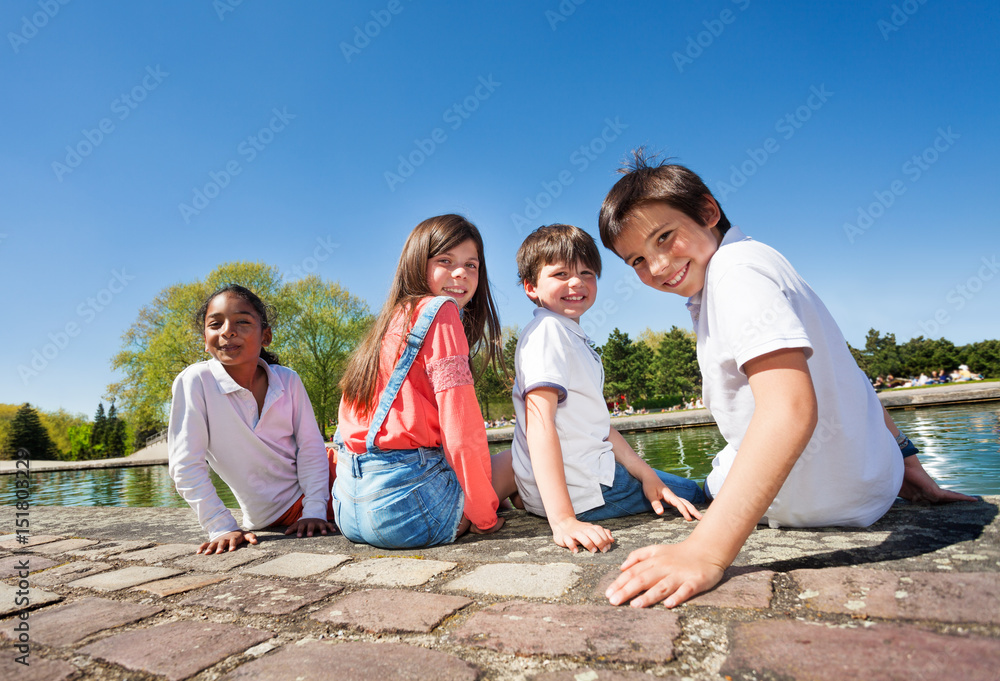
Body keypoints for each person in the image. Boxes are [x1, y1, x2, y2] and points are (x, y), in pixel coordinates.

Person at [596, 151, 976, 608]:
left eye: (664, 237)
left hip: (809, 504)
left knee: (646, 487)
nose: (656, 268)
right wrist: (908, 468)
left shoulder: (734, 273)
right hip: (871, 489)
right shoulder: (758, 263)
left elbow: (789, 410)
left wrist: (705, 551)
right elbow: (852, 379)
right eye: (637, 259)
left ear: (707, 212)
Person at [510, 224, 703, 555]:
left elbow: (600, 428)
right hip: (588, 491)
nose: (577, 283)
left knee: (659, 482)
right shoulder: (548, 333)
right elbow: (539, 426)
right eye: (560, 274)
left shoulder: (567, 335)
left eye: (587, 273)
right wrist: (563, 520)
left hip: (581, 483)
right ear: (531, 287)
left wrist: (646, 474)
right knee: (696, 492)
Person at [333, 214, 514, 549]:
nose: (460, 273)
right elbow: (462, 434)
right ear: (417, 263)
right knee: (523, 457)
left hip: (349, 510)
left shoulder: (389, 320)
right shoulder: (441, 312)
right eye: (445, 261)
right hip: (408, 515)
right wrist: (483, 515)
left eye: (471, 265)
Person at [168, 284, 337, 554]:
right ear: (205, 338)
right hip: (278, 512)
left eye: (242, 322)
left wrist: (314, 509)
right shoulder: (196, 382)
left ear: (266, 336)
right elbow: (185, 466)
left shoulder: (287, 379)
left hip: (332, 479)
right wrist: (220, 525)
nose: (227, 331)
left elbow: (311, 447)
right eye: (215, 324)